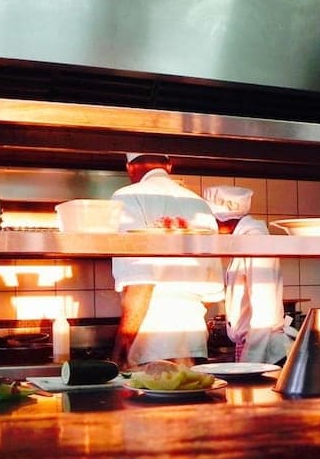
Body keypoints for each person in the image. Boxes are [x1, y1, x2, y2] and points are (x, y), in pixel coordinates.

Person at [110, 153, 225, 369]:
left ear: (129, 168)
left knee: (156, 390)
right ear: (169, 166)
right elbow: (212, 290)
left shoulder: (126, 196)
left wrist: (121, 348)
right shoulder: (199, 203)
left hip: (151, 341)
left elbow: (139, 282)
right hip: (194, 339)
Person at [203, 185, 296, 365]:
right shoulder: (244, 240)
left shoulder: (256, 240)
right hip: (254, 344)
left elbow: (264, 307)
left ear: (223, 218)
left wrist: (251, 364)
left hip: (265, 350)